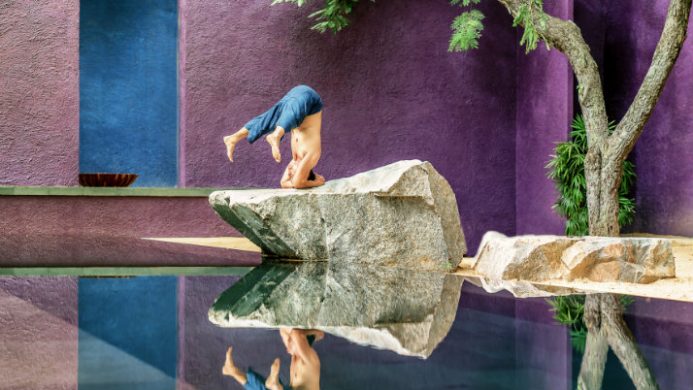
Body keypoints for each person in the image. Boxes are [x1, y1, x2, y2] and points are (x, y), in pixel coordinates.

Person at [223, 85, 326, 189]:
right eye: (292, 174)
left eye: (289, 174)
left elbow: (283, 183)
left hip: (295, 94)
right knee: (291, 114)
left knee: (268, 119)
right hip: (310, 99)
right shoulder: (312, 155)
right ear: (305, 173)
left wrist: (292, 180)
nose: (289, 171)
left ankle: (233, 138)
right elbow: (299, 183)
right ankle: (276, 135)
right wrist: (318, 181)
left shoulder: (296, 159)